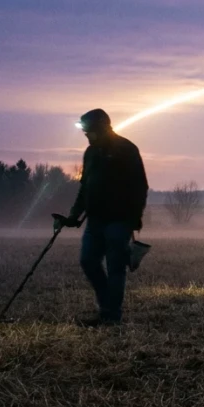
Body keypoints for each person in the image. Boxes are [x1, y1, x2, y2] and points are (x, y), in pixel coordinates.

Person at [56, 108, 149, 327]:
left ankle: (110, 315)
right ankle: (108, 305)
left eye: (88, 130)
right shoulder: (90, 153)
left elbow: (140, 186)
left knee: (116, 267)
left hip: (119, 220)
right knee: (88, 261)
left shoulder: (126, 149)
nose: (86, 135)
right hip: (95, 219)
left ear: (100, 127)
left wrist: (134, 218)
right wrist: (73, 216)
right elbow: (84, 188)